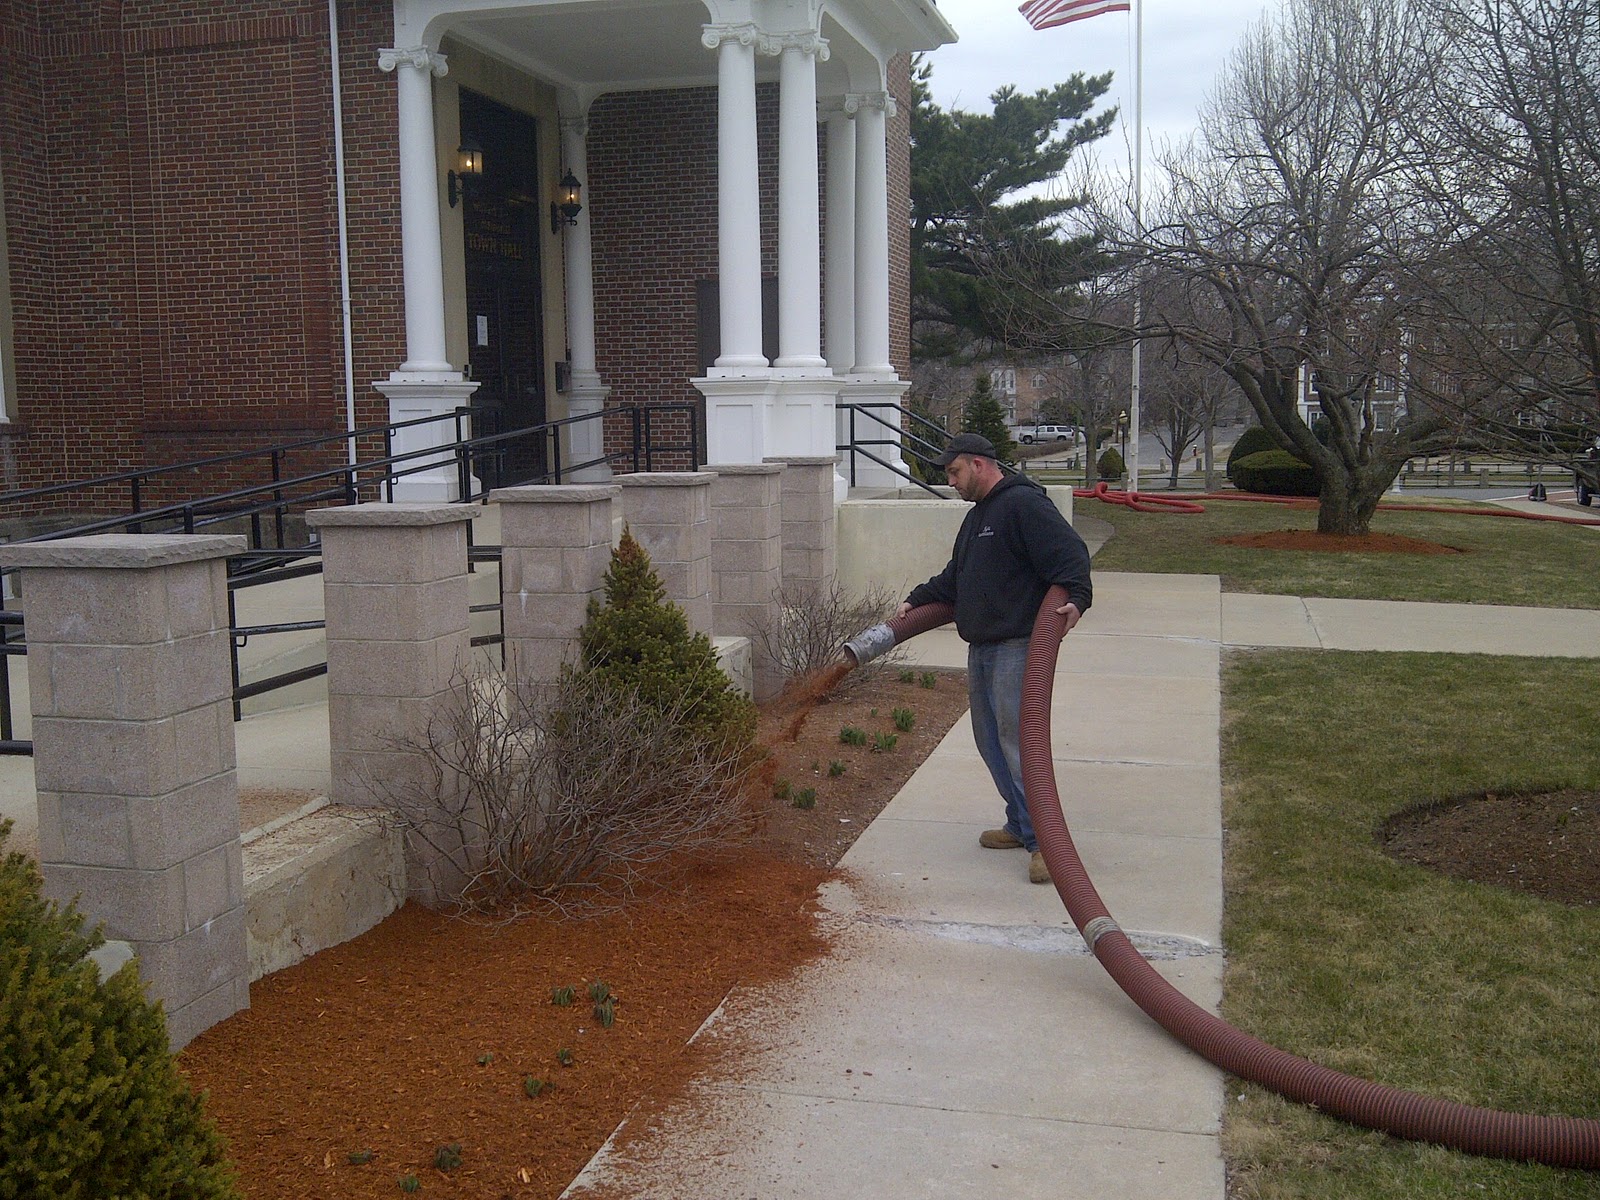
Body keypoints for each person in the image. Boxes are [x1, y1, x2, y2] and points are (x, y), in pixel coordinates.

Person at [898, 433, 1092, 885]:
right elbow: (956, 577)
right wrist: (917, 600)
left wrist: (1078, 598)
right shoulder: (977, 517)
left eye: (954, 472)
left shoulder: (1024, 505)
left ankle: (1046, 844)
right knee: (990, 741)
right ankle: (1020, 824)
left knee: (1019, 743)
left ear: (980, 465)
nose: (950, 481)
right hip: (983, 646)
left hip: (1017, 646)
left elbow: (1071, 556)